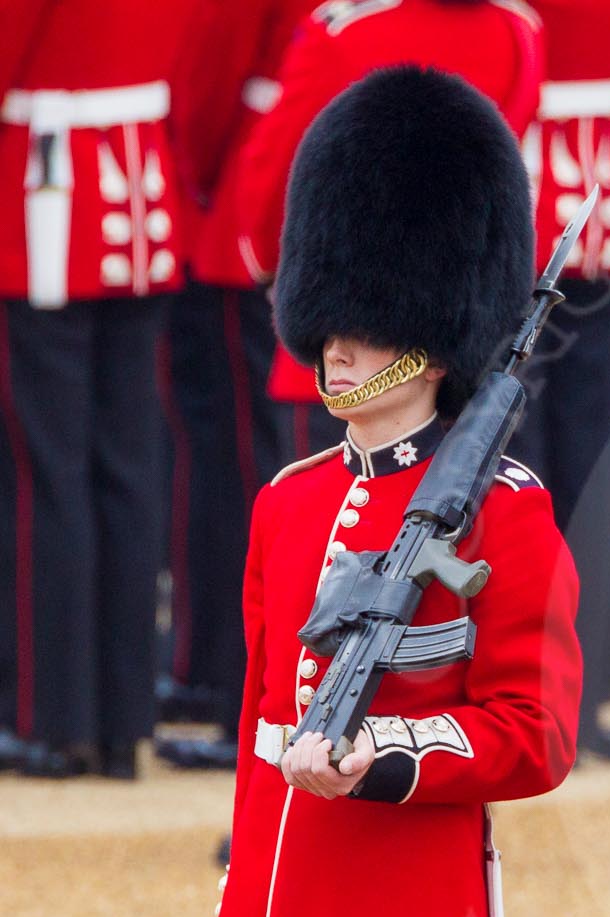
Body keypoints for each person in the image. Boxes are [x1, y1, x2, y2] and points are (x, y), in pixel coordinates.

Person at [193, 68, 581, 917]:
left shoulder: (506, 508)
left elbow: (535, 732)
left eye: (362, 326)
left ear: (429, 331)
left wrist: (392, 754)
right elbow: (261, 729)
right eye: (329, 321)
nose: (335, 347)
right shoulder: (287, 501)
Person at [0, 0, 203, 777]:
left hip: (45, 201)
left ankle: (50, 717)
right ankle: (122, 718)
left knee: (42, 472)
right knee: (126, 466)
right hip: (142, 196)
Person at [225, 0, 543, 458]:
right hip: (460, 348)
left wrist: (275, 269)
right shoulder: (518, 27)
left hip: (344, 349)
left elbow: (274, 177)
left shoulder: (345, 31)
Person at [155, 0, 321, 771]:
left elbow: (208, 76)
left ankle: (232, 684)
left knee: (240, 470)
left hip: (249, 211)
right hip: (305, 203)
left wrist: (192, 180)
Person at [516, 0, 610, 756]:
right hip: (601, 187)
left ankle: (526, 677)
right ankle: (595, 671)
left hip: (516, 193)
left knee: (513, 460)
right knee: (594, 454)